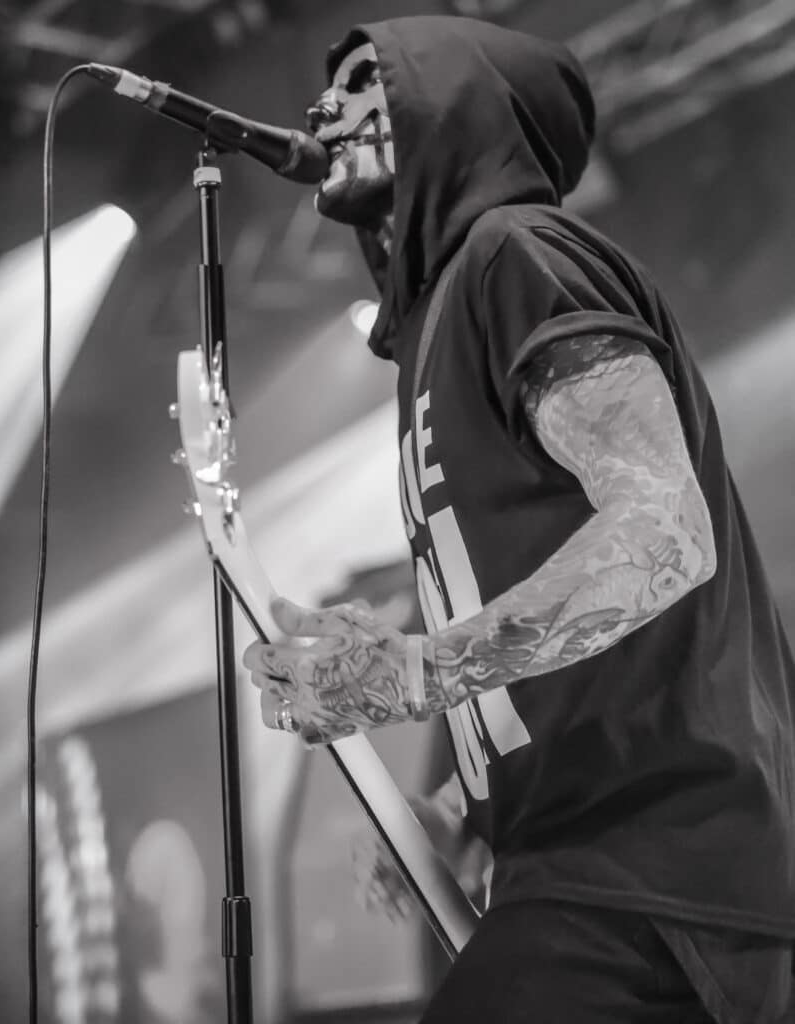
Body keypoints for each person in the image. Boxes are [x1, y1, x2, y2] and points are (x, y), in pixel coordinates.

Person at [242, 15, 795, 1023]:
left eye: (365, 80)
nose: (324, 107)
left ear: (449, 97)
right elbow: (565, 650)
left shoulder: (515, 252)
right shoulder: (440, 325)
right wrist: (464, 813)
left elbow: (664, 530)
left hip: (656, 873)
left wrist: (420, 668)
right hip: (577, 871)